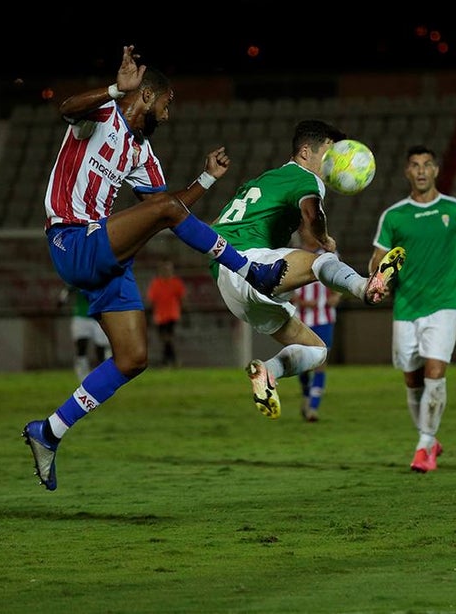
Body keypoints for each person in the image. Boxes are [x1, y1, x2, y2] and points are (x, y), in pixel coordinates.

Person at [22, 45, 288, 491]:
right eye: (167, 103)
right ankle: (250, 270)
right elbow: (66, 108)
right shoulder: (101, 115)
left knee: (132, 359)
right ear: (146, 95)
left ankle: (48, 432)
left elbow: (171, 210)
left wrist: (206, 180)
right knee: (163, 210)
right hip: (72, 238)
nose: (168, 114)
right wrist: (112, 88)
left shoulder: (142, 154)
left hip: (105, 253)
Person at [209, 119, 405, 421]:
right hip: (248, 259)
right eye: (329, 154)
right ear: (304, 152)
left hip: (229, 282)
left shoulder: (266, 179)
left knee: (316, 351)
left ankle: (267, 372)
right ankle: (364, 286)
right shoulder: (304, 178)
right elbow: (311, 213)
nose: (334, 162)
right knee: (321, 259)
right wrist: (324, 239)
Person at [369, 144, 456, 473]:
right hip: (406, 306)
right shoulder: (394, 216)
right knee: (413, 379)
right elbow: (379, 258)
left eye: (427, 165)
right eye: (415, 165)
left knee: (435, 373)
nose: (421, 170)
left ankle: (425, 445)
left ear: (436, 170)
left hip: (443, 305)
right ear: (407, 172)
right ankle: (429, 439)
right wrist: (378, 281)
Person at [291, 241, 342, 422]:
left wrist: (336, 296)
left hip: (324, 318)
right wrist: (299, 301)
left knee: (321, 361)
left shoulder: (330, 254)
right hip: (301, 320)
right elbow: (285, 287)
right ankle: (306, 393)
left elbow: (340, 279)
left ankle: (313, 407)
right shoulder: (293, 254)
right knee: (304, 365)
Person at [59, 285, 111, 381]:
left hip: (98, 316)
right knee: (81, 346)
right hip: (81, 316)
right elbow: (68, 289)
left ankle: (102, 375)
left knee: (100, 349)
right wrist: (62, 300)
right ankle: (83, 376)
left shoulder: (102, 276)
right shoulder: (80, 275)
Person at [146, 260, 186, 367]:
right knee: (165, 339)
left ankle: (167, 361)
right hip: (159, 315)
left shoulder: (176, 282)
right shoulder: (156, 283)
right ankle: (171, 360)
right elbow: (151, 300)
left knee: (167, 337)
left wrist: (183, 312)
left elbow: (181, 298)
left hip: (172, 314)